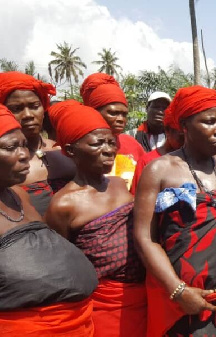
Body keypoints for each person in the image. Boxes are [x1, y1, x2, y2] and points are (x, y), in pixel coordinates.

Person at [133, 85, 216, 337]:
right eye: (209, 122)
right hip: (180, 302)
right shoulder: (160, 170)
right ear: (184, 126)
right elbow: (144, 238)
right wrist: (178, 291)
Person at [45, 100, 146, 337]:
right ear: (70, 151)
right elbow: (61, 268)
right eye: (97, 143)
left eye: (111, 142)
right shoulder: (63, 204)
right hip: (103, 307)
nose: (109, 149)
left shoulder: (120, 184)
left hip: (144, 297)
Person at [0, 104, 98, 336]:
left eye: (24, 145)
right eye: (12, 147)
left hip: (78, 323)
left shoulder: (17, 194)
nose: (25, 155)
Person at [0, 72, 76, 216]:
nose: (28, 115)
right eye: (16, 109)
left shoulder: (62, 149)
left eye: (34, 106)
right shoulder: (5, 163)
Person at [80, 73, 145, 189]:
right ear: (95, 112)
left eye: (124, 114)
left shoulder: (132, 144)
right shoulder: (80, 148)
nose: (120, 119)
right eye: (113, 113)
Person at [130, 100, 184, 195]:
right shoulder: (132, 136)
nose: (160, 111)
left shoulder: (195, 160)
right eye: (156, 107)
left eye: (164, 108)